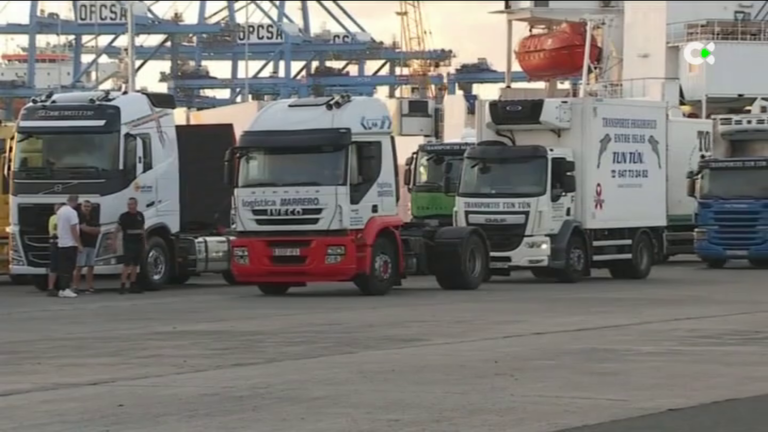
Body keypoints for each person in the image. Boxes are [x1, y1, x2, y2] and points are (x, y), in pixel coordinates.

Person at [116, 197, 146, 294]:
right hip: (128, 243)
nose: (130, 206)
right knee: (126, 265)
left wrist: (145, 243)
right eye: (128, 204)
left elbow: (142, 229)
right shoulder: (124, 216)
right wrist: (113, 242)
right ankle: (122, 285)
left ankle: (133, 285)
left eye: (131, 204)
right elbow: (117, 229)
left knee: (135, 265)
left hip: (138, 243)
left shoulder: (140, 215)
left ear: (136, 205)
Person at [55, 195, 82, 298]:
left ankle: (62, 289)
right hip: (70, 243)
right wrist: (79, 243)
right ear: (75, 201)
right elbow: (73, 229)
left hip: (61, 243)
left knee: (63, 268)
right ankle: (66, 288)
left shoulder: (60, 211)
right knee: (69, 267)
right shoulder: (72, 212)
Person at [73, 200, 100, 294]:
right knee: (79, 266)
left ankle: (90, 286)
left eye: (88, 206)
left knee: (91, 266)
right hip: (82, 244)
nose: (87, 208)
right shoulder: (78, 217)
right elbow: (80, 229)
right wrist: (91, 229)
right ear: (81, 207)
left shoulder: (94, 217)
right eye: (85, 206)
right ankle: (75, 286)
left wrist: (87, 228)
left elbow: (98, 230)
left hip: (92, 244)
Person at [46, 203, 64, 297]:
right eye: (56, 208)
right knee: (54, 267)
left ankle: (61, 286)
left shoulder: (61, 218)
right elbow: (54, 230)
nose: (57, 210)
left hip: (60, 242)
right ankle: (51, 287)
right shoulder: (54, 218)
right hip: (56, 242)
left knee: (62, 267)